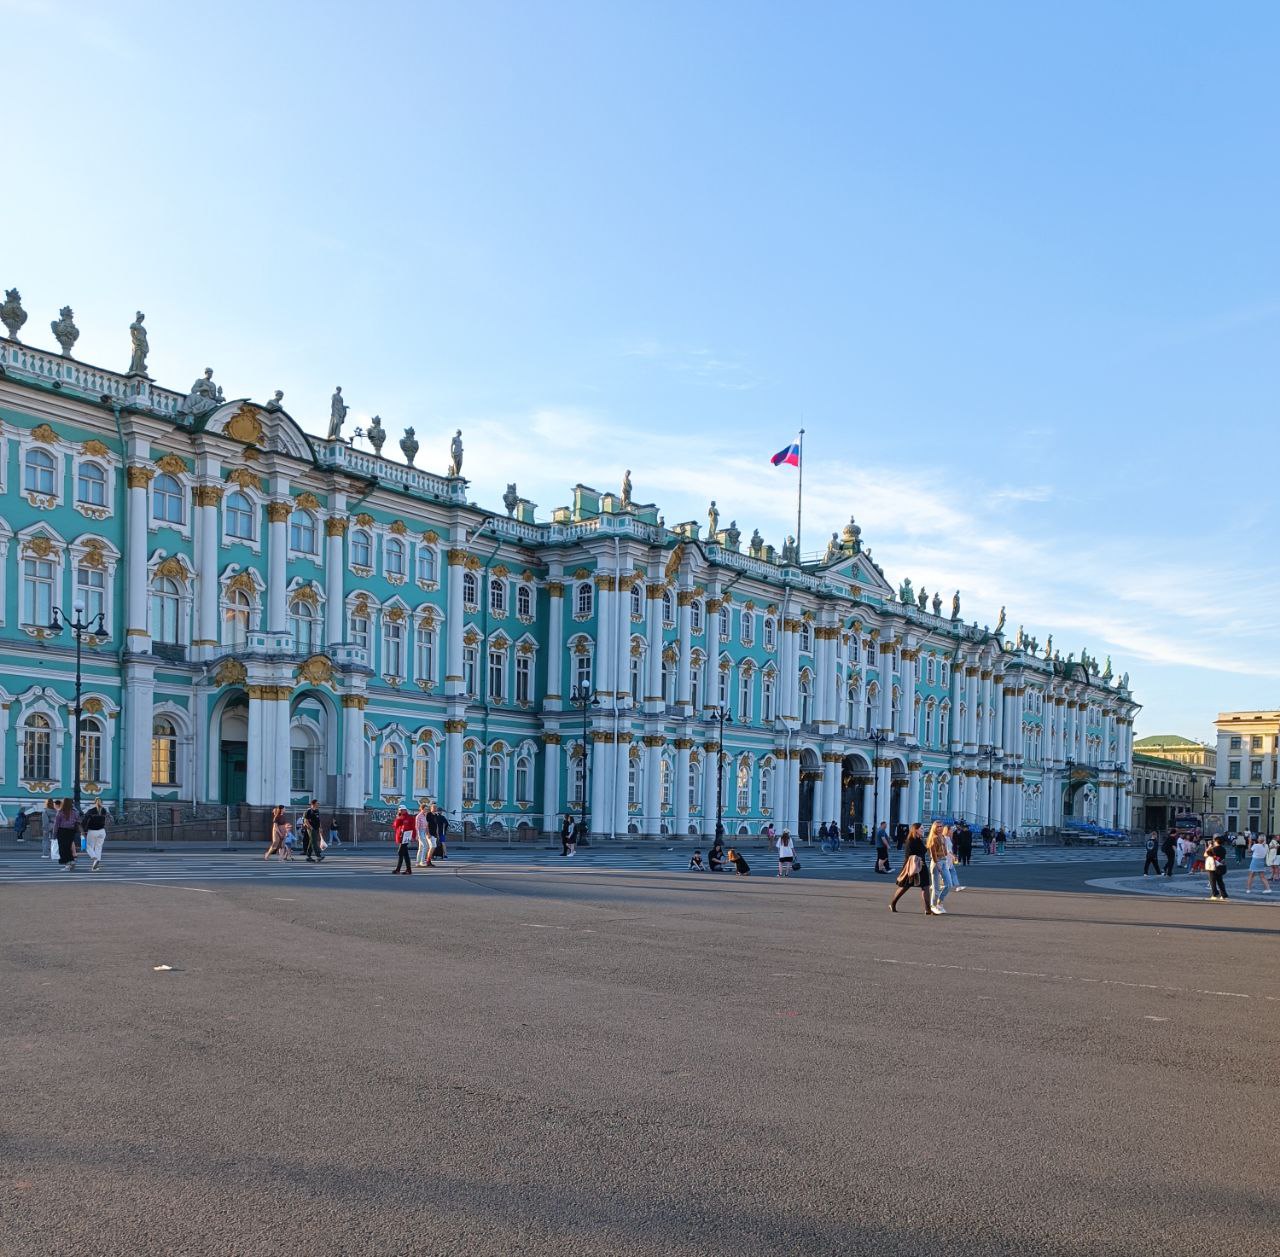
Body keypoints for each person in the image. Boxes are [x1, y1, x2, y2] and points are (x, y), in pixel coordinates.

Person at [890, 822, 935, 914]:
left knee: (925, 887)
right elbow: (908, 856)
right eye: (921, 829)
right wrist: (918, 859)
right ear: (916, 830)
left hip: (922, 866)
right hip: (911, 867)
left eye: (923, 828)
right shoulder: (910, 840)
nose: (923, 830)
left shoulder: (919, 839)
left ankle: (927, 909)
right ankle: (893, 903)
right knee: (905, 887)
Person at [926, 822, 950, 913]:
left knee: (948, 884)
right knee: (936, 887)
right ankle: (933, 905)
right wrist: (937, 863)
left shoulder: (943, 837)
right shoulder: (934, 838)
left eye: (941, 826)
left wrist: (948, 857)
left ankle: (939, 902)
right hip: (937, 862)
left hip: (944, 861)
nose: (940, 828)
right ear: (934, 828)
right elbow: (933, 852)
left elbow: (945, 851)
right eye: (938, 827)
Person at [53, 798, 81, 871]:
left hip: (62, 831)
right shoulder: (75, 812)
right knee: (68, 847)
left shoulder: (60, 812)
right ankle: (71, 861)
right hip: (71, 831)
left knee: (63, 849)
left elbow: (56, 824)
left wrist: (54, 834)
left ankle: (68, 864)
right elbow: (78, 821)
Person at [82, 799, 109, 871]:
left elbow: (85, 821)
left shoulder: (90, 811)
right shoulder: (104, 810)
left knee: (88, 846)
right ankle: (95, 865)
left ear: (94, 803)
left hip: (92, 831)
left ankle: (94, 857)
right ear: (102, 803)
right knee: (98, 847)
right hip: (102, 831)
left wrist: (83, 830)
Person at [1204, 835, 1228, 901]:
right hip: (1220, 866)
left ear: (1216, 842)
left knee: (1212, 881)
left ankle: (1214, 894)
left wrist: (1209, 847)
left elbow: (1205, 854)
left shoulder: (1213, 849)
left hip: (1212, 866)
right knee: (1220, 881)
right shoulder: (1223, 849)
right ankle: (1224, 894)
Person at [393, 806, 415, 874]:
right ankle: (408, 870)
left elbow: (413, 827)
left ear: (405, 810)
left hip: (406, 837)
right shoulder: (399, 817)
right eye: (399, 810)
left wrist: (413, 836)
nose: (400, 811)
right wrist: (397, 818)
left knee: (400, 852)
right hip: (401, 837)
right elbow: (395, 826)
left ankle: (398, 869)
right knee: (405, 854)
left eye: (401, 810)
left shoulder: (409, 818)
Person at [414, 801, 434, 868]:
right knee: (426, 846)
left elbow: (426, 826)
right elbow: (417, 826)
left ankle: (418, 862)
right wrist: (417, 835)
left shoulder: (424, 816)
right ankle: (422, 862)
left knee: (421, 848)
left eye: (427, 809)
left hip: (424, 832)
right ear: (421, 809)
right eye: (425, 809)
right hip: (420, 832)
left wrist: (427, 833)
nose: (426, 810)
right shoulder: (418, 816)